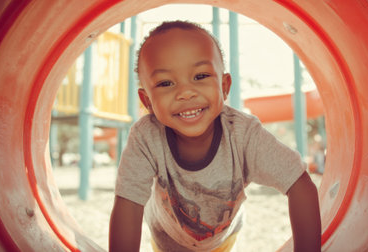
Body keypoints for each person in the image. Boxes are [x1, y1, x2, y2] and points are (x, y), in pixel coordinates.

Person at [109, 20, 321, 252]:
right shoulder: (146, 137)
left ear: (225, 85)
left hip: (222, 241)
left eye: (200, 76)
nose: (185, 92)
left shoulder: (243, 134)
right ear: (147, 101)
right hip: (166, 240)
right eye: (165, 83)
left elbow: (300, 184)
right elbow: (128, 204)